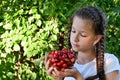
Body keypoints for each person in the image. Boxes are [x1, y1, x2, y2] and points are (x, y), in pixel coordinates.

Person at [45, 6, 120, 80]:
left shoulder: (108, 62)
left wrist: (77, 76)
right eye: (73, 31)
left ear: (96, 39)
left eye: (82, 35)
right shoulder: (68, 65)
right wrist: (57, 77)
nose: (75, 38)